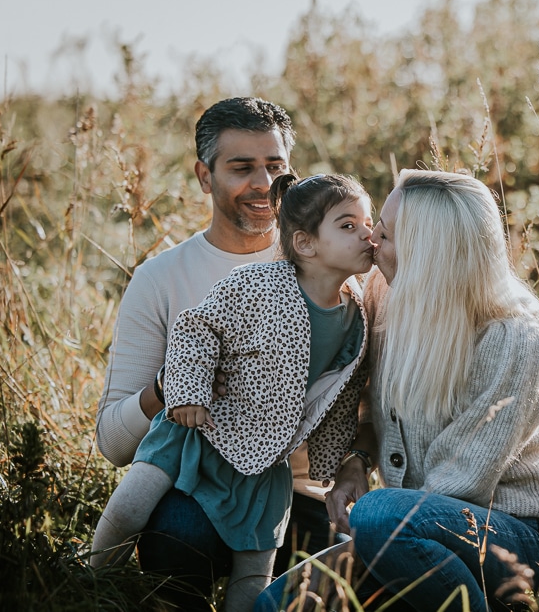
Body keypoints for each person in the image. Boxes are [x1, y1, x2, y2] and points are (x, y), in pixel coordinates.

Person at [259, 169, 539, 611]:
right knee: (274, 606)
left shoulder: (512, 337)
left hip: (511, 536)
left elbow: (461, 483)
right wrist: (358, 463)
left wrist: (357, 548)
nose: (370, 243)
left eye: (383, 234)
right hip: (404, 530)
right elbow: (366, 404)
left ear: (425, 254)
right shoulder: (384, 294)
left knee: (377, 517)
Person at [94, 98, 351, 608]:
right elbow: (113, 443)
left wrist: (350, 471)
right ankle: (106, 582)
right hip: (196, 478)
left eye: (276, 167)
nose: (263, 183)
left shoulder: (328, 266)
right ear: (204, 177)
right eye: (241, 168)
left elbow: (360, 404)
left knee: (348, 574)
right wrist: (172, 387)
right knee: (178, 535)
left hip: (295, 493)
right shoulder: (161, 280)